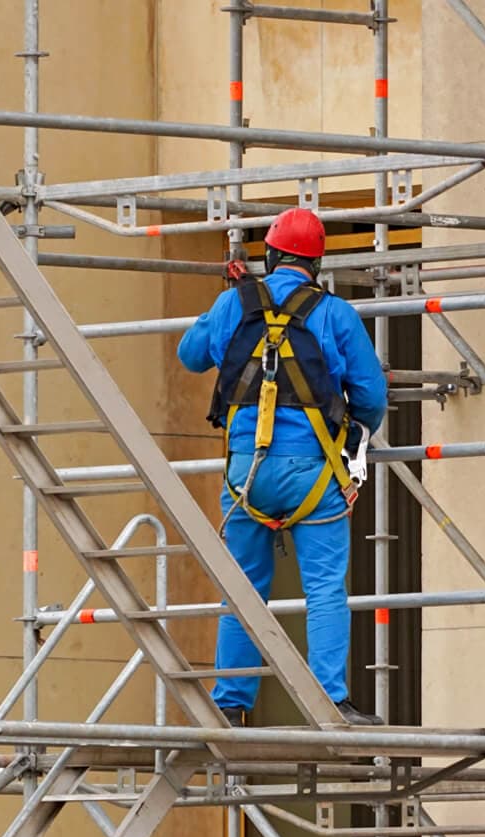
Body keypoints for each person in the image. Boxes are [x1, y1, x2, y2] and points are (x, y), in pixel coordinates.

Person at [177, 208, 388, 727]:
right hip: (312, 474)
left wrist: (225, 305)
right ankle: (328, 703)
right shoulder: (336, 314)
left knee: (244, 588)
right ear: (316, 264)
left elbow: (190, 354)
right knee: (323, 588)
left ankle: (231, 704)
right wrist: (349, 440)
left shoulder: (234, 303)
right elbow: (371, 396)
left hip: (245, 474)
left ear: (270, 255)